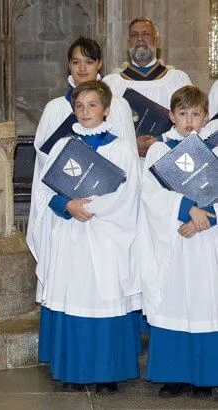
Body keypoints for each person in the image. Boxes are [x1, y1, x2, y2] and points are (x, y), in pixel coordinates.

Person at [29, 81, 142, 394]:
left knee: (103, 299)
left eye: (92, 105)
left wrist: (90, 207)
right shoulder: (64, 144)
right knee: (74, 297)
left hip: (105, 233)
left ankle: (108, 372)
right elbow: (42, 189)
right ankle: (73, 369)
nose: (85, 111)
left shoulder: (119, 147)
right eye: (79, 106)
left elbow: (128, 192)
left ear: (106, 109)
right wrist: (66, 205)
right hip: (71, 235)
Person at [27, 37, 137, 261]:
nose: (82, 68)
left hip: (108, 208)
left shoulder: (118, 105)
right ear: (69, 66)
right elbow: (42, 156)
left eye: (88, 61)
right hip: (66, 199)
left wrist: (99, 195)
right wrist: (70, 187)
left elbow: (127, 157)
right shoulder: (56, 107)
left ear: (99, 64)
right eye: (76, 62)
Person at [140, 85, 218, 399]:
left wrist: (208, 217)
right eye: (182, 114)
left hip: (207, 240)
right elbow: (151, 193)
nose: (189, 120)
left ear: (206, 115)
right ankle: (174, 375)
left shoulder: (214, 149)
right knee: (173, 300)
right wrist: (187, 210)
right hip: (173, 239)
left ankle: (205, 375)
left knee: (205, 300)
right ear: (171, 116)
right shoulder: (161, 150)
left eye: (195, 114)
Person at [103, 17, 191, 158]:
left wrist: (159, 142)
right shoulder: (111, 84)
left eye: (146, 34)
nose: (140, 39)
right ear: (128, 43)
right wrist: (131, 144)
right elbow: (101, 128)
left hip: (168, 157)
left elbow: (191, 124)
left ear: (157, 41)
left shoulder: (177, 80)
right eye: (134, 35)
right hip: (127, 162)